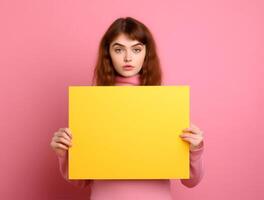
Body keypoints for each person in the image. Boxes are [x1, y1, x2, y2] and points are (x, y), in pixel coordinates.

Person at [50, 16, 204, 200]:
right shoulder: (91, 105)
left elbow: (191, 181)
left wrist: (196, 149)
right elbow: (81, 181)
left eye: (136, 49)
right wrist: (64, 154)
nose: (128, 57)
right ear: (108, 53)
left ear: (146, 53)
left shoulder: (166, 103)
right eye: (119, 49)